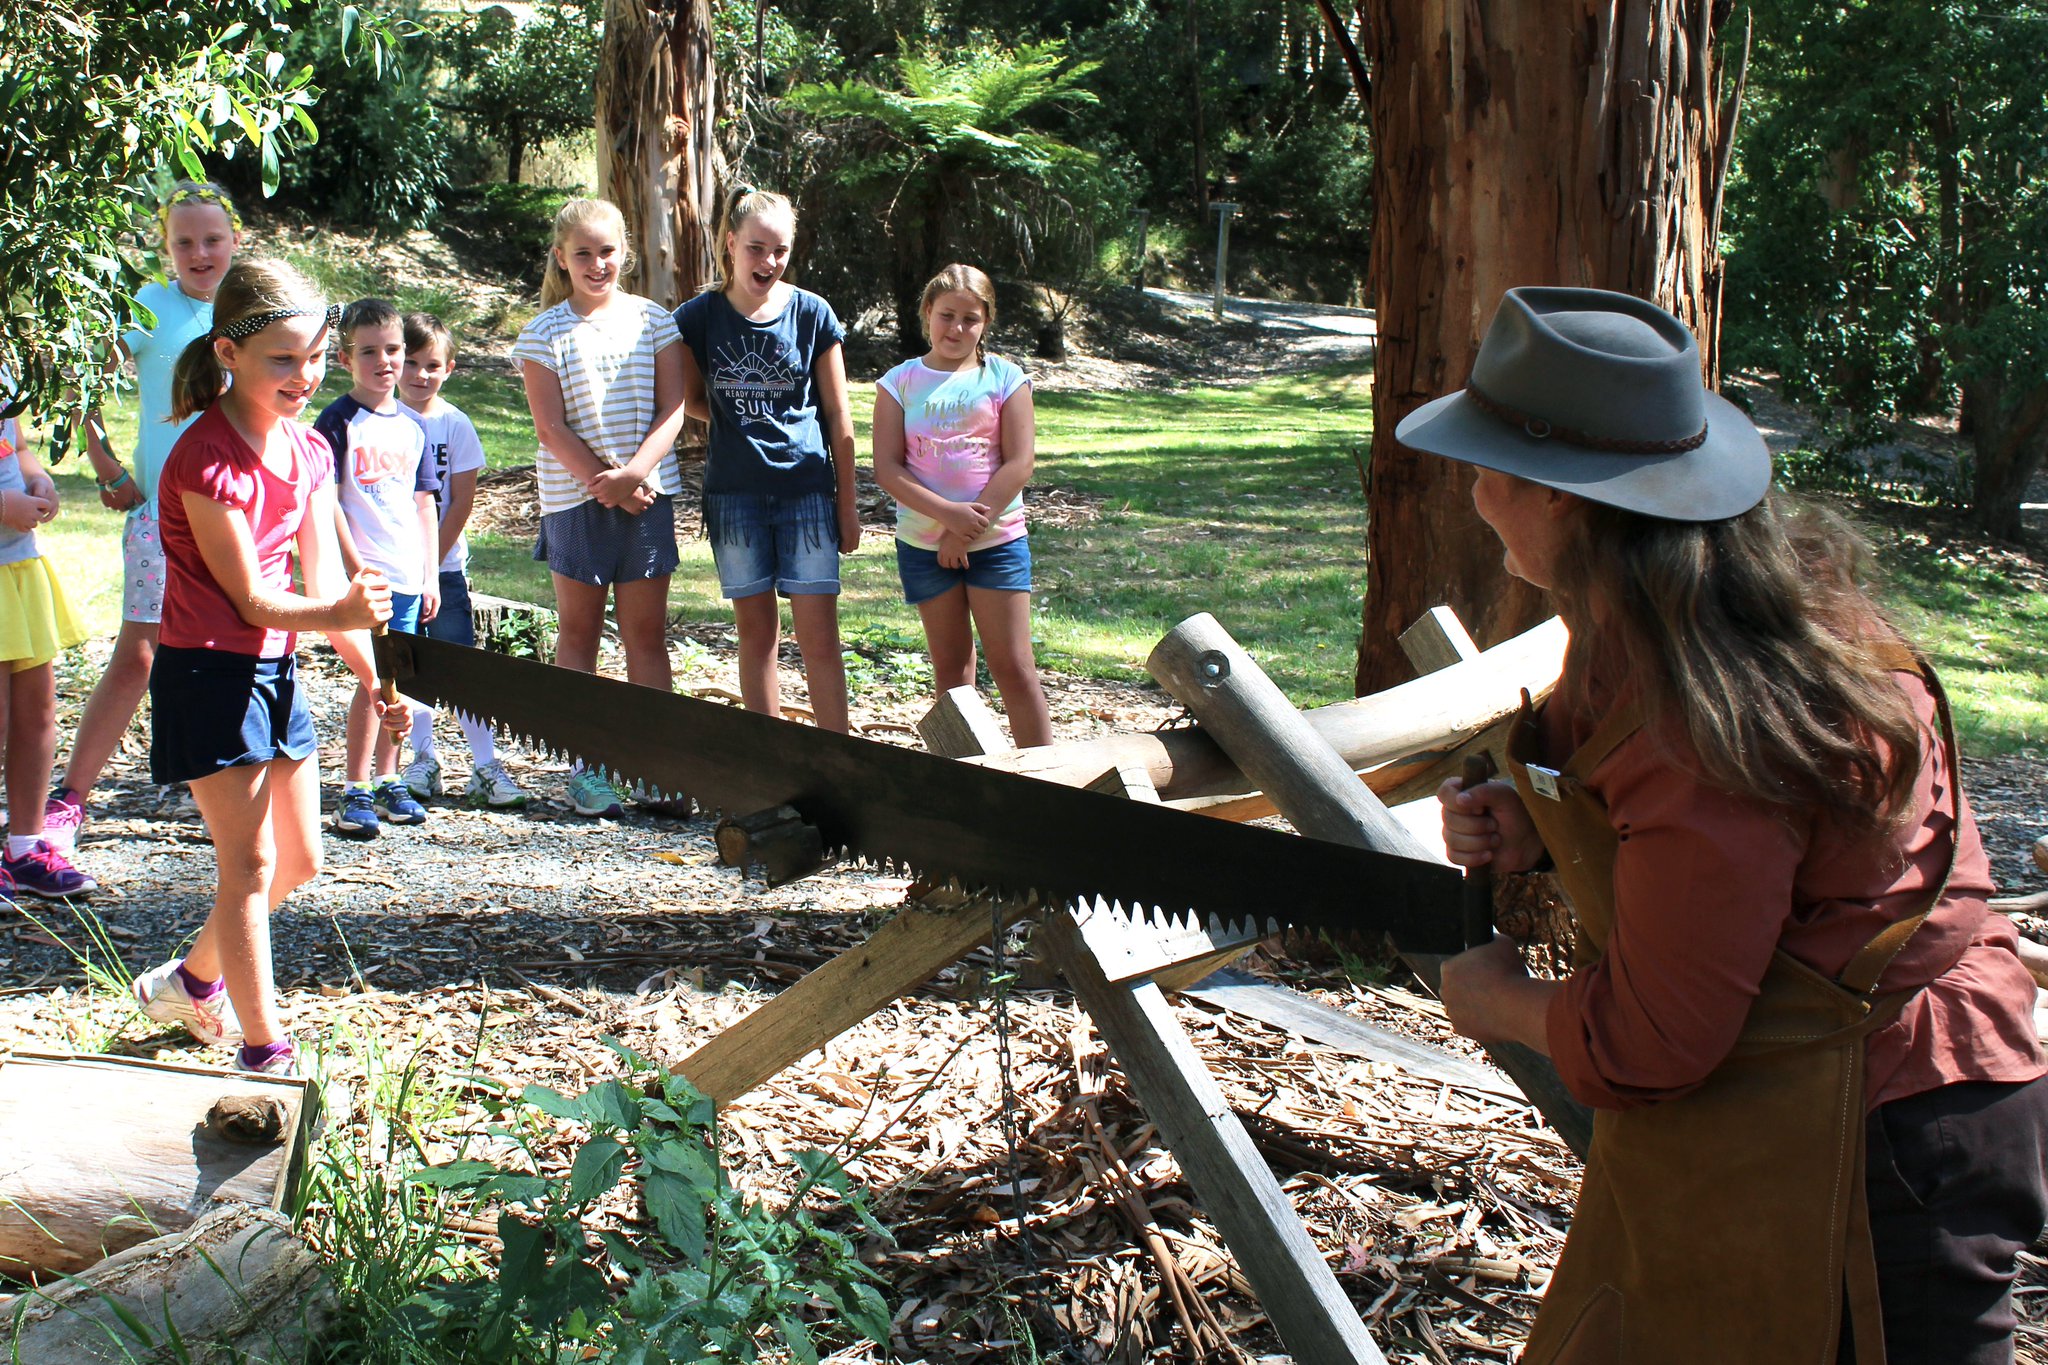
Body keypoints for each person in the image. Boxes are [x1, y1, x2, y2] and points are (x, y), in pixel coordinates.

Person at [1413, 286, 2048, 1364]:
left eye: (1484, 469)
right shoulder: (1657, 610)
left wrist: (1503, 1003)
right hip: (1810, 1106)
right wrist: (1530, 823)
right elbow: (1601, 770)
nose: (1472, 496)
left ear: (1563, 499)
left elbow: (1656, 1043)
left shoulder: (1712, 718)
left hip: (1891, 1134)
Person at [133, 258, 402, 1076]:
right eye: (283, 359)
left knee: (302, 860)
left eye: (315, 356)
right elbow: (251, 598)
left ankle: (190, 980)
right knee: (247, 867)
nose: (304, 375)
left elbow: (324, 583)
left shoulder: (307, 449)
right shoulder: (205, 462)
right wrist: (344, 618)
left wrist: (371, 677)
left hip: (275, 670)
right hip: (207, 675)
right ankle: (264, 1050)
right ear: (229, 354)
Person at [47, 181, 244, 855]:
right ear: (165, 249)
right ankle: (68, 798)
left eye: (212, 239)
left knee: (233, 650)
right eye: (183, 241)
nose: (199, 252)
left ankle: (222, 789)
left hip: (239, 515)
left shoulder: (253, 310)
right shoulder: (146, 307)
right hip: (161, 514)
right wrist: (108, 470)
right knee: (139, 652)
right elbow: (84, 386)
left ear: (235, 241)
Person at [513, 198, 689, 817]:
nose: (596, 263)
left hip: (646, 501)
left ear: (625, 254)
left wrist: (636, 474)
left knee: (646, 636)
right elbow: (549, 426)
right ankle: (585, 769)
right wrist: (602, 481)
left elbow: (674, 408)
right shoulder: (542, 333)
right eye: (582, 253)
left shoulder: (653, 321)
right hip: (574, 502)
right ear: (561, 258)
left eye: (607, 251)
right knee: (579, 633)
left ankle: (656, 767)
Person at [675, 186, 859, 735]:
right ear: (730, 244)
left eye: (780, 251)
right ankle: (770, 759)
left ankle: (840, 755)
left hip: (806, 493)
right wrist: (738, 422)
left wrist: (846, 508)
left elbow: (840, 422)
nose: (769, 262)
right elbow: (691, 400)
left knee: (819, 638)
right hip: (734, 499)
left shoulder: (811, 313)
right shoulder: (698, 317)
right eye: (756, 248)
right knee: (757, 637)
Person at [871, 264, 1052, 747]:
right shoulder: (899, 382)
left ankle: (1050, 780)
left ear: (986, 323)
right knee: (952, 673)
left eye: (970, 319)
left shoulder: (1006, 378)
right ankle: (967, 774)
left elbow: (1019, 463)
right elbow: (888, 468)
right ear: (927, 312)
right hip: (922, 545)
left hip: (997, 542)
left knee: (1013, 666)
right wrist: (945, 516)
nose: (956, 329)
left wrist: (965, 527)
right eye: (946, 315)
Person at [314, 298, 439, 838]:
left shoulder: (413, 428)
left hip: (409, 577)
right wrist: (355, 566)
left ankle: (390, 781)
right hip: (365, 581)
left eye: (393, 350)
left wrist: (430, 573)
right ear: (345, 358)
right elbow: (327, 501)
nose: (385, 362)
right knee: (371, 682)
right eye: (369, 351)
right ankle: (355, 788)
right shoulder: (338, 421)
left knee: (399, 681)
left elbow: (423, 502)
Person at [395, 311, 527, 809]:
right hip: (396, 572)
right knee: (410, 670)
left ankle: (486, 765)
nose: (420, 374)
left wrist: (433, 560)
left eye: (431, 364)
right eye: (410, 362)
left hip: (445, 570)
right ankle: (423, 761)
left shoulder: (456, 424)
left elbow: (463, 499)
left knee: (460, 666)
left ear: (449, 369)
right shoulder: (383, 421)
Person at [0, 378, 95, 899]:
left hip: (18, 568)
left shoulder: (6, 366)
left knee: (36, 714)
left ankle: (26, 846)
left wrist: (39, 481)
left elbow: (17, 442)